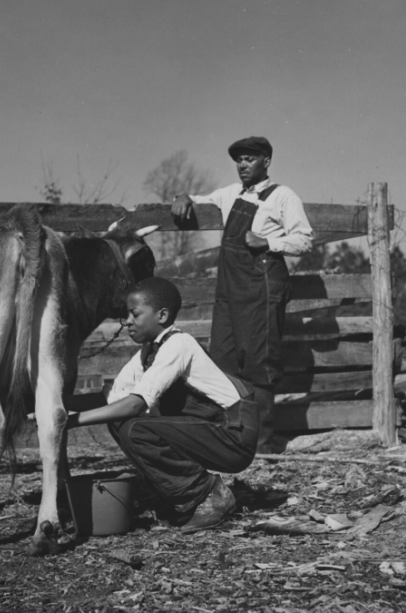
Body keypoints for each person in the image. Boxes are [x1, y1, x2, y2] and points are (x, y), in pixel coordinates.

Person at [66, 277, 259, 533]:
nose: (127, 322)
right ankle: (184, 497)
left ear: (162, 315)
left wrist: (71, 421)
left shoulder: (179, 344)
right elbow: (113, 396)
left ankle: (208, 495)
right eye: (126, 315)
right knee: (119, 421)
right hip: (207, 430)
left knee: (136, 429)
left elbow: (134, 404)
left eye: (134, 314)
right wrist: (55, 407)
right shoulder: (148, 352)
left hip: (234, 435)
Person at [171, 136, 313, 453]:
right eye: (239, 160)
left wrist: (268, 243)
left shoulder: (283, 196)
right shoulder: (231, 194)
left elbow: (304, 240)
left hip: (262, 285)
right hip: (230, 288)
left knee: (259, 359)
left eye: (250, 159)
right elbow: (200, 198)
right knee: (222, 356)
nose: (243, 165)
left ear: (266, 161)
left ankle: (261, 444)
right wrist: (184, 196)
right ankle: (231, 437)